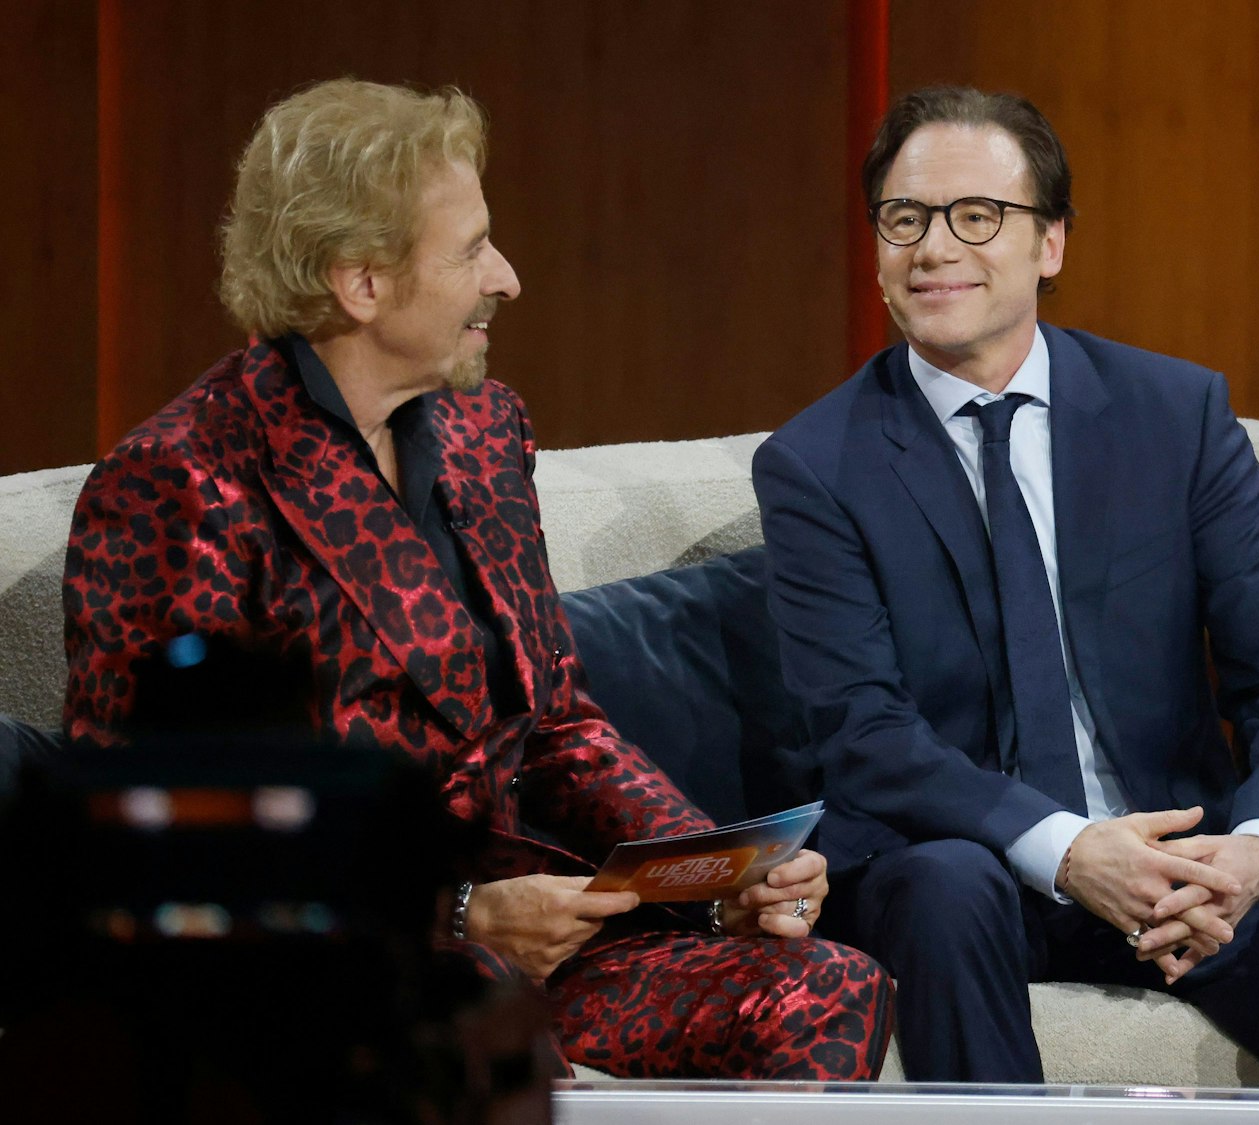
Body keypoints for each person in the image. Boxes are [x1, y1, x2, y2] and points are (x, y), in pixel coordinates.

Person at [62, 78, 889, 1081]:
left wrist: (717, 871)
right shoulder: (181, 480)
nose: (506, 276)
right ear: (361, 282)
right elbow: (154, 842)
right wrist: (457, 919)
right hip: (333, 981)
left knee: (827, 987)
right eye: (469, 250)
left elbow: (557, 729)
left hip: (550, 940)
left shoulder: (482, 430)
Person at [753, 85, 1259, 1088]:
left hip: (1169, 865)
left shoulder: (1173, 415)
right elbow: (864, 733)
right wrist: (1063, 850)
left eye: (976, 217)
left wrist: (1254, 856)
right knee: (944, 884)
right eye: (903, 219)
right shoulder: (816, 463)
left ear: (1048, 244)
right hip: (966, 868)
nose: (933, 248)